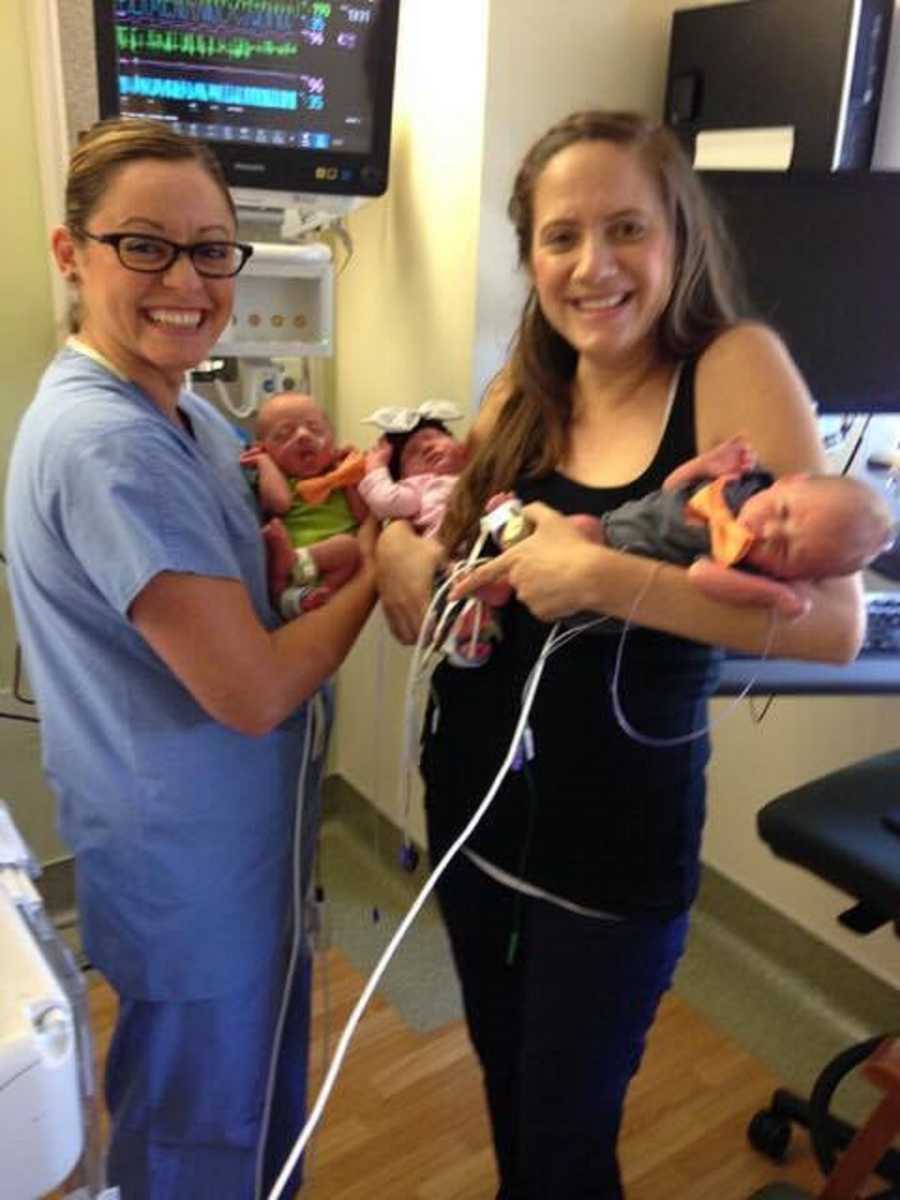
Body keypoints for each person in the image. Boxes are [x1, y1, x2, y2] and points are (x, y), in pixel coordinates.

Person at [375, 111, 864, 1199]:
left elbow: (834, 625)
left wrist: (605, 581)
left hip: (610, 845)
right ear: (530, 255)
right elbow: (452, 536)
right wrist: (398, 553)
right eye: (561, 237)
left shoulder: (732, 368)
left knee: (566, 1145)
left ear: (679, 237)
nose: (593, 265)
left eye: (627, 228)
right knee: (509, 1097)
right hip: (471, 805)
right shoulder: (526, 383)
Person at [3, 118, 377, 1200]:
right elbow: (253, 688)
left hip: (239, 853)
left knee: (251, 1111)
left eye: (212, 248)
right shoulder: (106, 443)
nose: (189, 281)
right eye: (145, 246)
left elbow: (253, 591)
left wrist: (334, 537)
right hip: (190, 870)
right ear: (71, 254)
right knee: (194, 1146)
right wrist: (388, 568)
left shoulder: (194, 417)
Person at [490, 433, 895, 618]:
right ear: (789, 482)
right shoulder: (745, 483)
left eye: (786, 551)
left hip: (616, 554)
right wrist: (707, 464)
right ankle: (503, 561)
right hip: (616, 523)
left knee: (569, 537)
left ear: (793, 575)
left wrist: (770, 595)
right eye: (784, 514)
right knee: (570, 526)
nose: (770, 532)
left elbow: (701, 575)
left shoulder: (741, 562)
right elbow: (673, 490)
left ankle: (504, 559)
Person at [242, 390, 368, 618]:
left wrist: (348, 476)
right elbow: (280, 504)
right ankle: (289, 575)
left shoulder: (336, 481)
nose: (303, 435)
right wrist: (264, 462)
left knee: (350, 549)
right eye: (284, 434)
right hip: (285, 567)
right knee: (275, 536)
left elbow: (362, 516)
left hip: (326, 574)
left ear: (332, 440)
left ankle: (309, 597)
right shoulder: (279, 479)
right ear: (264, 448)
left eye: (315, 429)